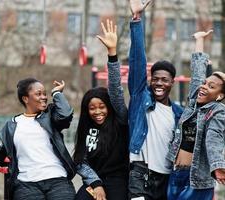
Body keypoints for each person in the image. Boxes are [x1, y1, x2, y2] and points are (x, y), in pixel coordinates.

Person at [125, 1, 184, 199]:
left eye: (164, 80)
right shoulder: (141, 98)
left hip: (167, 178)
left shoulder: (178, 113)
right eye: (155, 78)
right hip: (141, 174)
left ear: (172, 83)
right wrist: (137, 21)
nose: (159, 83)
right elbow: (137, 61)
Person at [0, 78, 76, 200]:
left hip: (58, 181)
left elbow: (65, 115)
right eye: (38, 94)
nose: (44, 97)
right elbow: (4, 157)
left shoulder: (50, 116)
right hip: (26, 185)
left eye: (44, 94)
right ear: (25, 99)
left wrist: (57, 93)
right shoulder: (11, 125)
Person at [73, 19, 129, 200]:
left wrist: (112, 54)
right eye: (92, 108)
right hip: (93, 180)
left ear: (109, 107)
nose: (97, 112)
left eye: (102, 107)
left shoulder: (119, 119)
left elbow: (115, 90)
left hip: (118, 181)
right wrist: (96, 184)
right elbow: (80, 161)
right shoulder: (86, 126)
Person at [166, 29, 225, 199]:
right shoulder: (193, 102)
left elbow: (214, 138)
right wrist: (200, 40)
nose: (204, 86)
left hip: (197, 180)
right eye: (206, 83)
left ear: (219, 96)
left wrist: (217, 165)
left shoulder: (218, 112)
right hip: (175, 173)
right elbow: (198, 72)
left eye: (211, 87)